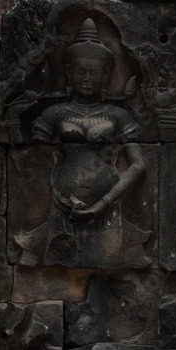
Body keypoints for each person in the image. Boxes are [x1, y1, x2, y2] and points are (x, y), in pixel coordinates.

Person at [16, 18, 148, 267]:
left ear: (106, 74)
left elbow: (138, 165)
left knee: (108, 259)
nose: (87, 78)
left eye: (94, 72)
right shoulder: (56, 114)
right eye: (81, 71)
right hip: (63, 204)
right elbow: (32, 159)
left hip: (108, 204)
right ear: (69, 73)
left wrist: (103, 203)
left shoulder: (117, 115)